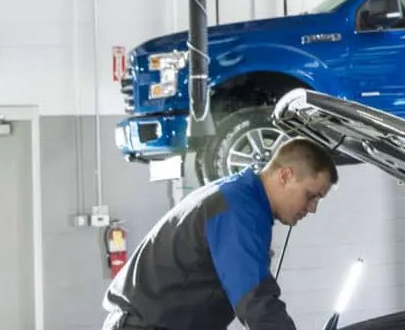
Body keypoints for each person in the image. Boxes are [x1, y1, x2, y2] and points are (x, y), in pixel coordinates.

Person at [102, 136, 339, 330]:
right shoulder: (239, 210)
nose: (313, 208)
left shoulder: (237, 197)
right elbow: (256, 301)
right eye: (311, 195)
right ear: (285, 176)